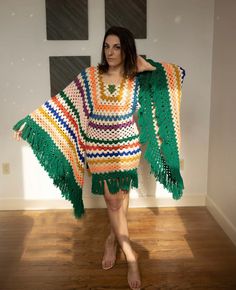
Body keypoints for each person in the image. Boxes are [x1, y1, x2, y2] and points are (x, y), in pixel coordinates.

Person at [13, 26, 185, 290]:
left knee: (122, 197)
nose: (111, 52)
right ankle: (131, 257)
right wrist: (31, 124)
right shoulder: (90, 76)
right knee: (113, 202)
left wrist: (147, 66)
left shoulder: (135, 77)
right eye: (107, 46)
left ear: (126, 49)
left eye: (117, 46)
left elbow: (178, 73)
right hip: (98, 148)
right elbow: (61, 104)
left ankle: (111, 239)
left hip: (128, 147)